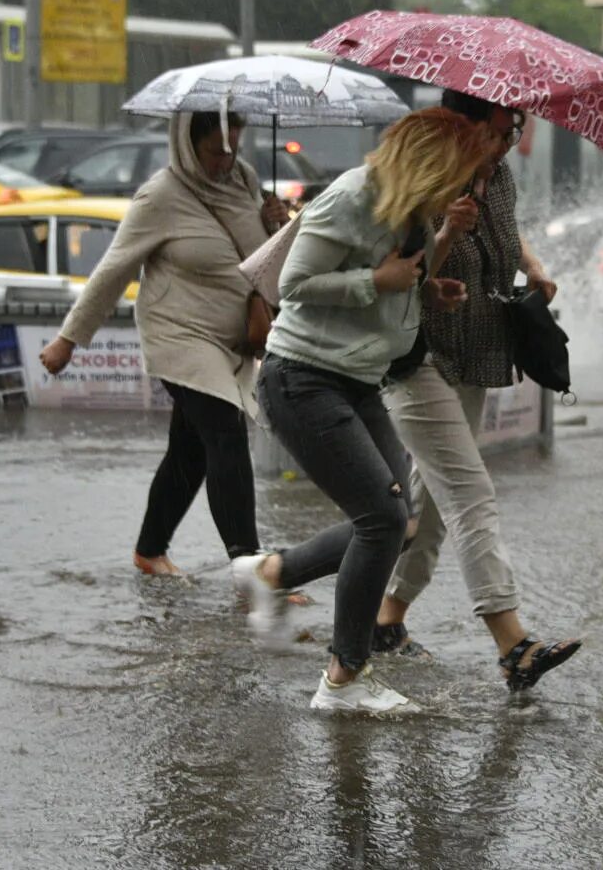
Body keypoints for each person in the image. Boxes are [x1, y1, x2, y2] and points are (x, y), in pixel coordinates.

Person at [230, 108, 487, 714]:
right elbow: (291, 284)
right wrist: (379, 281)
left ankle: (270, 574)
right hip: (304, 379)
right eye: (461, 173)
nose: (468, 187)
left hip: (359, 379)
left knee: (402, 522)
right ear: (430, 162)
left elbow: (397, 277)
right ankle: (344, 677)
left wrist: (427, 289)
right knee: (382, 518)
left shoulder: (415, 210)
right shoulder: (350, 196)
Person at [372, 89, 580, 693]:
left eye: (513, 128)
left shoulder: (500, 177)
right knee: (470, 492)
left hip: (478, 352)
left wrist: (534, 266)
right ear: (464, 127)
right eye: (498, 128)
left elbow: (509, 236)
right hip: (420, 355)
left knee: (432, 505)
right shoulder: (424, 179)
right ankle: (513, 643)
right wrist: (444, 234)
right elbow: (395, 276)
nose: (507, 139)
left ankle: (385, 620)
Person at [39, 112, 290, 576]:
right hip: (178, 334)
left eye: (233, 149)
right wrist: (68, 340)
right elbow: (114, 269)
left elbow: (260, 261)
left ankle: (150, 551)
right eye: (215, 151)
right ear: (187, 144)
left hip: (230, 339)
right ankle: (252, 571)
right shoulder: (161, 196)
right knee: (225, 431)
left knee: (190, 450)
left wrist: (276, 223)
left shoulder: (247, 181)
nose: (225, 161)